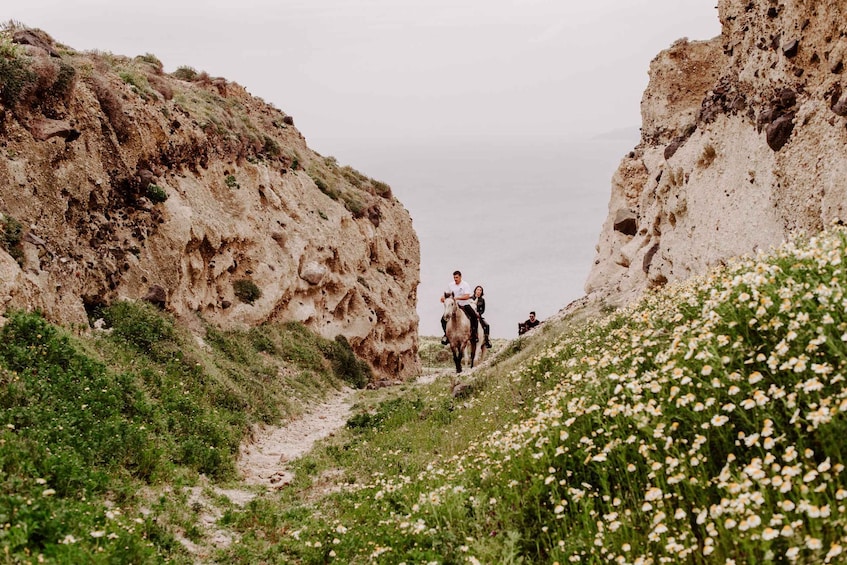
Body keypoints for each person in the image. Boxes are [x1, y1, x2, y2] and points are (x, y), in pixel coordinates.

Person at [440, 270, 479, 345]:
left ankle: (474, 334)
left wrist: (457, 298)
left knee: (474, 316)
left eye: (457, 277)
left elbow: (467, 296)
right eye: (454, 277)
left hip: (464, 304)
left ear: (460, 277)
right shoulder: (451, 285)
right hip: (453, 306)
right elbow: (446, 294)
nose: (455, 279)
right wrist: (442, 298)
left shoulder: (465, 284)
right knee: (443, 319)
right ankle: (446, 335)